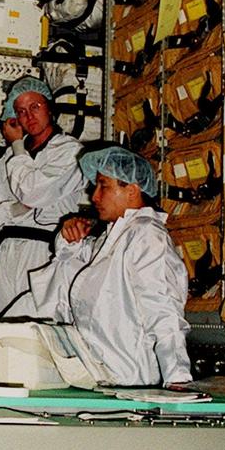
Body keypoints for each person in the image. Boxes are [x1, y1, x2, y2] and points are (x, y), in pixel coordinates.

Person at [28, 145, 191, 386]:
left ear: (132, 190)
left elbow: (162, 308)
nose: (94, 196)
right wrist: (69, 236)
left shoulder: (146, 236)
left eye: (103, 186)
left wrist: (177, 377)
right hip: (102, 375)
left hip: (130, 379)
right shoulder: (115, 235)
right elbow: (75, 263)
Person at [0, 76, 86, 317]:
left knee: (38, 331)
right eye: (21, 111)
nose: (29, 116)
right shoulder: (7, 159)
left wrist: (17, 146)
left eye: (35, 106)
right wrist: (14, 210)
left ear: (49, 107)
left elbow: (32, 191)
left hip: (45, 252)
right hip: (7, 252)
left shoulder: (70, 151)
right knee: (0, 329)